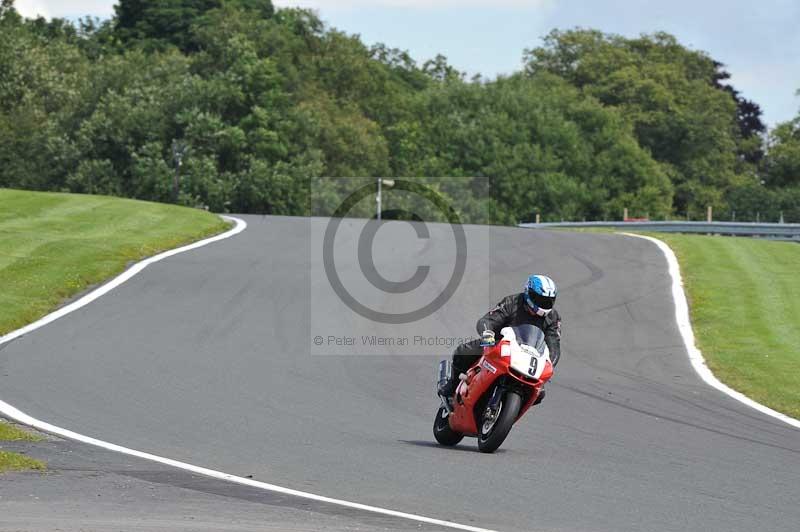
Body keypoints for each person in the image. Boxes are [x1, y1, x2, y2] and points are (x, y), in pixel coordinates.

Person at [439, 274, 562, 402]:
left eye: (548, 301)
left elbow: (554, 344)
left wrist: (550, 364)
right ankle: (452, 387)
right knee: (462, 352)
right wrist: (488, 334)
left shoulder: (553, 317)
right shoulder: (512, 302)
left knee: (539, 394)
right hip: (498, 346)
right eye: (539, 299)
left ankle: (509, 411)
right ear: (528, 293)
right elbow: (488, 320)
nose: (544, 304)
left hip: (530, 359)